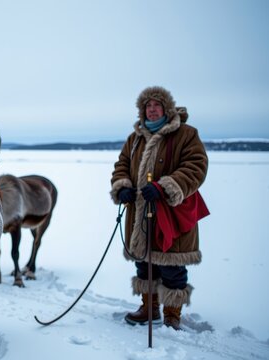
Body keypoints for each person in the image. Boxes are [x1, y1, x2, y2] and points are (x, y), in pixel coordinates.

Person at [110, 86, 209, 330]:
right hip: (140, 211)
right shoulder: (135, 139)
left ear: (166, 108)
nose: (152, 110)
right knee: (144, 263)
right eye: (148, 106)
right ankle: (149, 308)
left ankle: (172, 315)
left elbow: (196, 166)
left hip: (172, 210)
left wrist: (166, 186)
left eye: (156, 105)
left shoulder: (186, 134)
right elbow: (122, 164)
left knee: (171, 265)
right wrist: (122, 185)